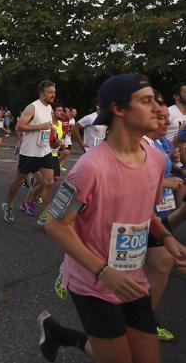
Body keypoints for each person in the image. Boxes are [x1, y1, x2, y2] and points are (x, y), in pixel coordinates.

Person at [39, 74, 186, 363]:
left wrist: (168, 239)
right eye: (146, 101)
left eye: (157, 101)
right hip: (94, 283)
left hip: (133, 280)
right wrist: (104, 270)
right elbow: (54, 224)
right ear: (118, 109)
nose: (158, 108)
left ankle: (59, 335)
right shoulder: (90, 168)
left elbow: (146, 213)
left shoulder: (156, 161)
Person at [144, 92, 184, 342]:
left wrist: (174, 164)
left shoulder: (161, 143)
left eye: (168, 118)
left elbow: (172, 167)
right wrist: (163, 182)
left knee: (161, 265)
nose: (167, 122)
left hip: (158, 214)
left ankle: (145, 320)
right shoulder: (139, 144)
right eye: (161, 117)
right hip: (135, 218)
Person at [2, 80, 56, 224]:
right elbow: (19, 127)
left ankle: (44, 215)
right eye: (50, 92)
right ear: (42, 93)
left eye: (54, 92)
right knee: (18, 181)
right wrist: (40, 126)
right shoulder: (32, 107)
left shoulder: (49, 109)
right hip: (29, 153)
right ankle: (9, 205)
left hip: (44, 151)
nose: (53, 95)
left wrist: (53, 137)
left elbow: (47, 127)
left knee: (49, 182)